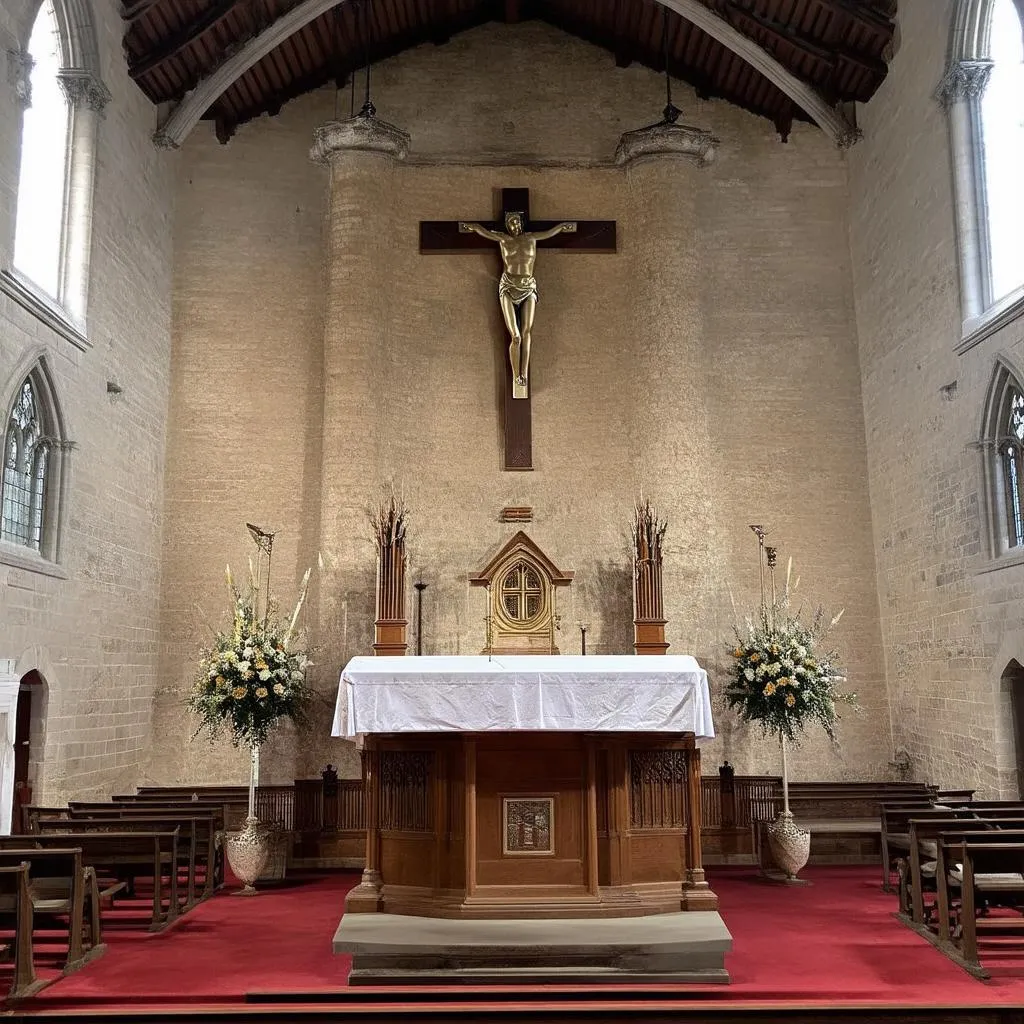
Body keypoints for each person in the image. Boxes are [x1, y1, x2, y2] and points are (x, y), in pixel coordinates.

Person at [459, 212, 576, 397]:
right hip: (508, 286)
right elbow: (485, 232)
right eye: (511, 222)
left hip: (528, 286)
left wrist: (562, 227)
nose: (516, 225)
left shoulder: (531, 238)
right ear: (507, 225)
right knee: (515, 336)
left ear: (522, 223)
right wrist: (472, 227)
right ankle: (516, 375)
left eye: (517, 221)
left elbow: (549, 233)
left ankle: (524, 372)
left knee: (528, 330)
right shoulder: (503, 239)